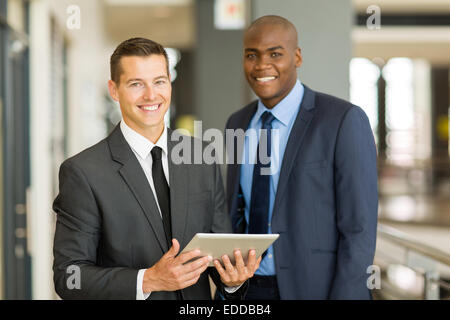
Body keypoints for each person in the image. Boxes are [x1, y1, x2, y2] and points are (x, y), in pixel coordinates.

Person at [52, 37, 260, 300]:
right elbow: (68, 277)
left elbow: (217, 259)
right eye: (136, 84)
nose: (151, 95)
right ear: (114, 90)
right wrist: (146, 280)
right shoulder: (83, 172)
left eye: (159, 81)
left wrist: (232, 280)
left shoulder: (202, 158)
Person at [225, 15, 378, 299]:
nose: (261, 65)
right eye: (251, 55)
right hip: (249, 291)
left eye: (275, 54)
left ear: (297, 57)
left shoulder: (342, 120)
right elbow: (236, 212)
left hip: (316, 289)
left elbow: (359, 229)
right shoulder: (237, 123)